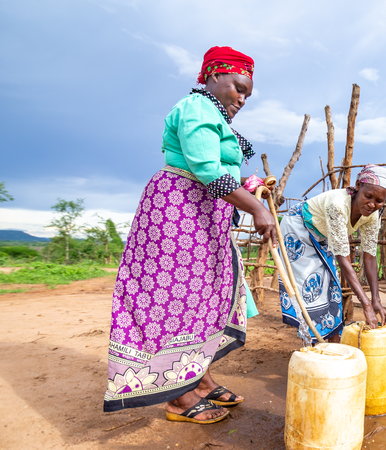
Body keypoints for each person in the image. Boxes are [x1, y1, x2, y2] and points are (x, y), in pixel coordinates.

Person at [103, 46, 277, 425]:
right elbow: (204, 168)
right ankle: (179, 398)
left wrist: (251, 186)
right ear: (213, 76)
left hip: (202, 213)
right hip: (179, 211)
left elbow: (221, 168)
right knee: (177, 298)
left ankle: (198, 379)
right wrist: (256, 208)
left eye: (248, 94)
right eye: (238, 88)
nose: (242, 99)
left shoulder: (213, 114)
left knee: (204, 297)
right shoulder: (195, 107)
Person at [278, 165, 386, 344]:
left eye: (379, 201)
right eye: (368, 196)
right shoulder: (338, 204)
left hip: (322, 236)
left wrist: (375, 300)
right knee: (312, 289)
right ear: (357, 186)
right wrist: (366, 305)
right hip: (298, 229)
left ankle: (333, 348)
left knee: (332, 290)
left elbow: (369, 256)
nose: (372, 204)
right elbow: (343, 258)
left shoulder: (372, 214)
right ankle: (314, 347)